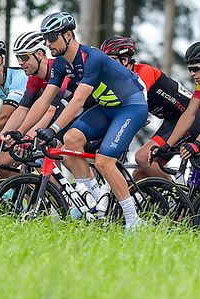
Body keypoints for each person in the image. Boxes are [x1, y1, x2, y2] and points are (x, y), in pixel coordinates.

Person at [19, 12, 150, 229]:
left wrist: (53, 128)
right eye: (45, 39)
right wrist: (22, 132)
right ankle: (96, 199)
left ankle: (133, 221)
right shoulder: (60, 64)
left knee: (103, 161)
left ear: (68, 35)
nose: (47, 43)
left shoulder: (92, 57)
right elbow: (44, 100)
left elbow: (79, 100)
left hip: (131, 106)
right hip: (108, 107)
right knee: (71, 139)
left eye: (52, 37)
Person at [100, 35, 200, 180]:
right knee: (139, 176)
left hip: (189, 120)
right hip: (171, 121)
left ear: (124, 60)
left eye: (110, 61)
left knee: (142, 157)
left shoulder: (143, 72)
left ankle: (176, 195)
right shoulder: (118, 80)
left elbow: (129, 108)